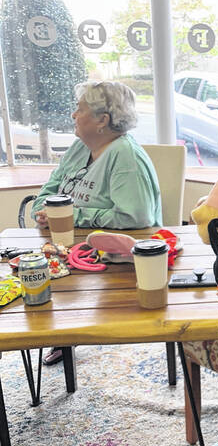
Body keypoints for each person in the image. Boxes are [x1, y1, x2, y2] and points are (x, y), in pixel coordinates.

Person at [31, 80, 162, 365]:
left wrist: (72, 214)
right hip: (68, 251)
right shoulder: (79, 149)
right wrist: (45, 211)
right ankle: (58, 335)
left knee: (47, 287)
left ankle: (63, 333)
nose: (73, 115)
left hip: (115, 261)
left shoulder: (125, 156)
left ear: (103, 120)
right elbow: (46, 194)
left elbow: (135, 217)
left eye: (80, 110)